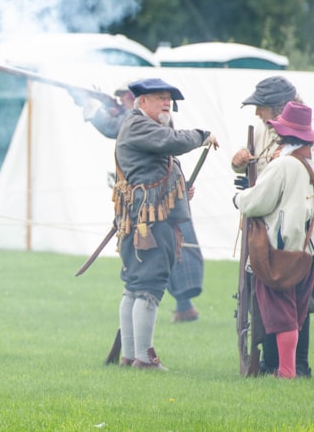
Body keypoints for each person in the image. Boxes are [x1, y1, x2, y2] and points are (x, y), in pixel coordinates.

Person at [77, 84, 204, 324]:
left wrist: (93, 110)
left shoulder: (146, 122)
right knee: (146, 280)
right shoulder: (138, 122)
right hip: (151, 208)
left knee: (162, 268)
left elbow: (164, 153)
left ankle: (182, 307)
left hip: (161, 205)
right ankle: (144, 352)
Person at [112, 78, 217, 369]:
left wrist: (180, 186)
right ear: (141, 102)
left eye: (168, 99)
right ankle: (144, 359)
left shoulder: (145, 127)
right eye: (159, 98)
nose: (166, 103)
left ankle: (131, 357)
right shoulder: (139, 125)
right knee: (149, 285)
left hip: (147, 217)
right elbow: (171, 143)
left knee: (137, 286)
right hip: (149, 221)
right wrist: (202, 135)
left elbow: (156, 167)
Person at [229, 76, 309, 376]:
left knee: (288, 302)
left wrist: (239, 200)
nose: (257, 114)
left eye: (260, 107)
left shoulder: (293, 154)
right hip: (273, 230)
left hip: (286, 233)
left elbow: (261, 194)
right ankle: (274, 363)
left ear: (278, 109)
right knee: (281, 301)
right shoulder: (270, 135)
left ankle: (293, 366)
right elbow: (256, 172)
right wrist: (240, 162)